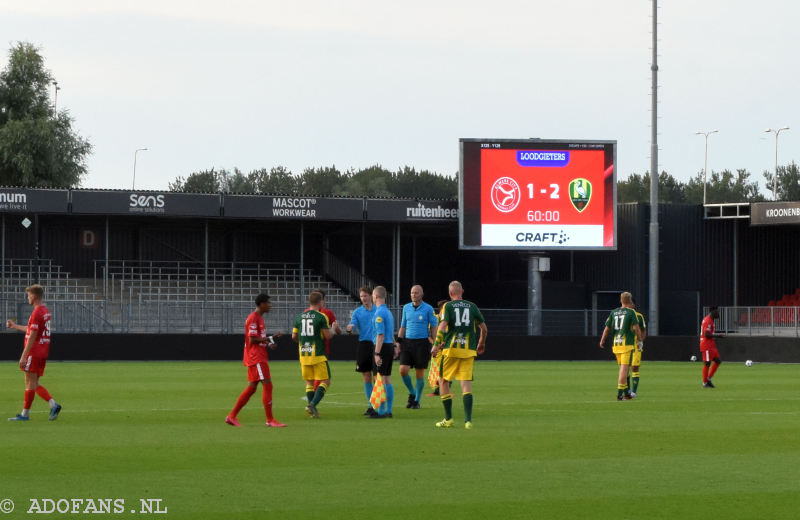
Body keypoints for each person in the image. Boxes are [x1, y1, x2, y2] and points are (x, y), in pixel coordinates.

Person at [430, 281, 487, 429]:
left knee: (442, 381)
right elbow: (484, 328)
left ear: (450, 294)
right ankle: (468, 421)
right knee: (465, 383)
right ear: (462, 291)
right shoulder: (472, 306)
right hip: (468, 350)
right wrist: (481, 343)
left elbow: (442, 326)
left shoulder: (447, 306)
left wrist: (436, 345)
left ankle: (448, 419)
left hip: (451, 349)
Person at [225, 293, 285, 427]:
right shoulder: (254, 318)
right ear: (262, 304)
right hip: (256, 357)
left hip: (257, 355)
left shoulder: (259, 318)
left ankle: (231, 416)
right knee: (268, 385)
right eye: (268, 303)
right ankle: (270, 420)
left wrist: (270, 342)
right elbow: (252, 339)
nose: (270, 305)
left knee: (252, 388)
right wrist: (271, 337)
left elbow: (259, 339)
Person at [7, 284, 61, 421]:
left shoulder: (37, 312)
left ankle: (27, 413)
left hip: (34, 351)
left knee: (30, 382)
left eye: (29, 295)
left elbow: (32, 335)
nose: (28, 297)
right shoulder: (44, 311)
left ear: (34, 296)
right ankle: (51, 405)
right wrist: (14, 326)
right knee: (33, 382)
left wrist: (23, 356)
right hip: (42, 351)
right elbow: (31, 330)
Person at [293, 291, 335, 418]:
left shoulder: (300, 317)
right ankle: (312, 405)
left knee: (309, 383)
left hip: (304, 354)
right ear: (320, 302)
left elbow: (294, 336)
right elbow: (328, 336)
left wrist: (304, 342)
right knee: (326, 381)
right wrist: (333, 328)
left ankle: (312, 409)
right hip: (318, 354)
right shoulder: (322, 317)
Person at [397, 285, 438, 409]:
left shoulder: (428, 308)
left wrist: (435, 344)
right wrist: (398, 342)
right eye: (412, 293)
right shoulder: (406, 308)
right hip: (408, 343)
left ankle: (417, 401)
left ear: (421, 294)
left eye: (416, 292)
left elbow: (434, 327)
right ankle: (412, 393)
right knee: (403, 370)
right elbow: (403, 325)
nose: (413, 295)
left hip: (422, 344)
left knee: (419, 374)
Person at [599, 291, 644, 401]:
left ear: (621, 301)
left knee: (622, 369)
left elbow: (607, 328)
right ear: (630, 300)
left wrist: (602, 340)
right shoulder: (631, 312)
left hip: (616, 344)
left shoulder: (613, 312)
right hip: (626, 345)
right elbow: (637, 328)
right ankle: (619, 395)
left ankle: (626, 394)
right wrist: (640, 340)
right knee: (624, 370)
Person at [346, 286, 377, 416]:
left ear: (371, 296)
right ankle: (371, 405)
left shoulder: (378, 310)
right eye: (361, 296)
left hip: (377, 345)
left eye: (365, 295)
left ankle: (378, 404)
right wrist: (349, 328)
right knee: (366, 376)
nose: (363, 298)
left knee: (378, 377)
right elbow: (351, 327)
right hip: (364, 345)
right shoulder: (358, 312)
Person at [370, 285, 396, 418]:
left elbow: (380, 335)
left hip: (382, 348)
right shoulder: (388, 312)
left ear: (375, 297)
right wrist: (395, 345)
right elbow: (390, 332)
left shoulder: (379, 313)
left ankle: (380, 411)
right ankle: (388, 410)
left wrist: (376, 353)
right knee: (386, 378)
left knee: (379, 378)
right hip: (389, 346)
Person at [311, 290, 342, 391]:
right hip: (322, 349)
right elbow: (338, 331)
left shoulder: (306, 312)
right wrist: (334, 328)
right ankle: (313, 400)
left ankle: (311, 397)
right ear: (323, 300)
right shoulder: (327, 313)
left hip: (307, 349)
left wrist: (336, 328)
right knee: (323, 378)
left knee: (312, 377)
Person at [426, 299, 450, 397]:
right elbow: (428, 334)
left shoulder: (449, 319)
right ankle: (436, 390)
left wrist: (444, 343)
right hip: (436, 349)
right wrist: (435, 344)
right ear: (442, 308)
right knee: (434, 369)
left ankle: (445, 389)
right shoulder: (434, 318)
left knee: (446, 368)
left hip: (447, 348)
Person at [700, 306, 724, 388]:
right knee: (707, 363)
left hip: (711, 345)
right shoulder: (708, 321)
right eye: (717, 311)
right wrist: (718, 336)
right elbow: (706, 334)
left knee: (718, 361)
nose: (718, 313)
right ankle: (705, 383)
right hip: (706, 344)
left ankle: (708, 379)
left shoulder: (711, 320)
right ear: (712, 311)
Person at [630, 301, 647, 397]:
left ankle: (634, 392)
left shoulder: (639, 316)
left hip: (636, 346)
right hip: (625, 345)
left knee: (635, 367)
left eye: (631, 303)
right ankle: (627, 389)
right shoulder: (623, 316)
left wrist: (641, 342)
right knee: (625, 367)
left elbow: (643, 330)